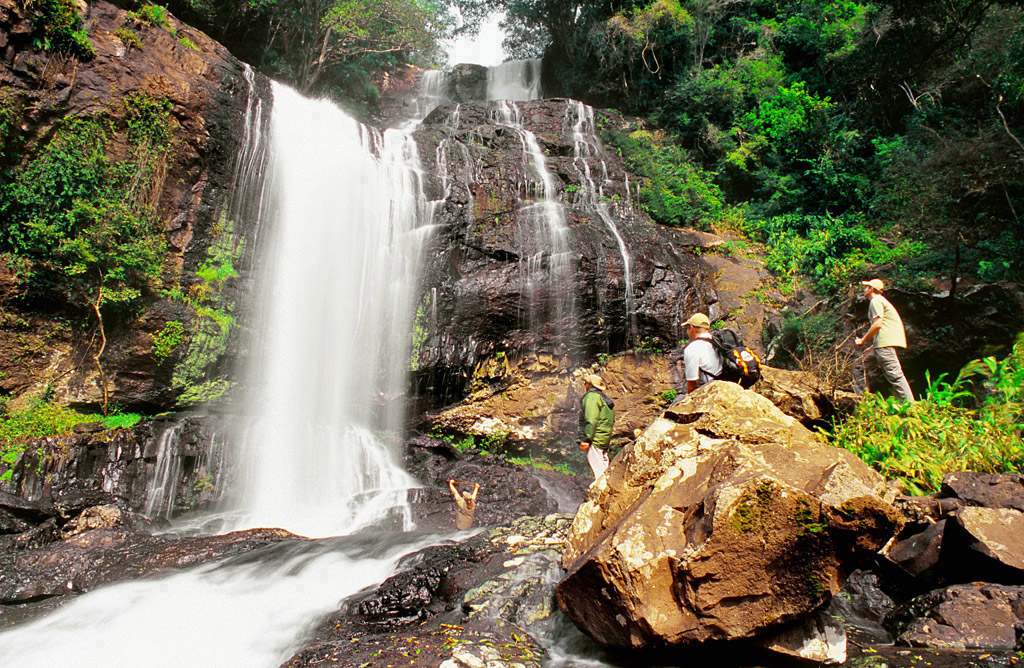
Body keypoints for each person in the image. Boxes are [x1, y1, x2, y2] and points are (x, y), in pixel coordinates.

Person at [855, 279, 915, 402]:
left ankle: (910, 406)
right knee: (857, 366)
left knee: (895, 376)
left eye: (866, 287)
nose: (864, 290)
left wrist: (862, 340)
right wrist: (873, 345)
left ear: (871, 289)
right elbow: (884, 327)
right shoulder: (880, 301)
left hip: (884, 346)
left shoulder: (876, 301)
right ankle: (862, 399)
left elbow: (878, 324)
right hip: (880, 345)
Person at [578, 373, 615, 480]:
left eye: (586, 383)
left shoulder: (592, 397)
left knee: (598, 470)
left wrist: (587, 439)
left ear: (589, 385)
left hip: (595, 439)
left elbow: (591, 419)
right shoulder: (603, 398)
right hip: (604, 438)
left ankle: (601, 492)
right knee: (604, 466)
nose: (585, 385)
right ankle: (608, 487)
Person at [680, 313, 723, 394]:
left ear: (691, 328)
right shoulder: (718, 341)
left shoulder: (692, 348)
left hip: (714, 391)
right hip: (731, 382)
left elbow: (691, 385)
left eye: (687, 328)